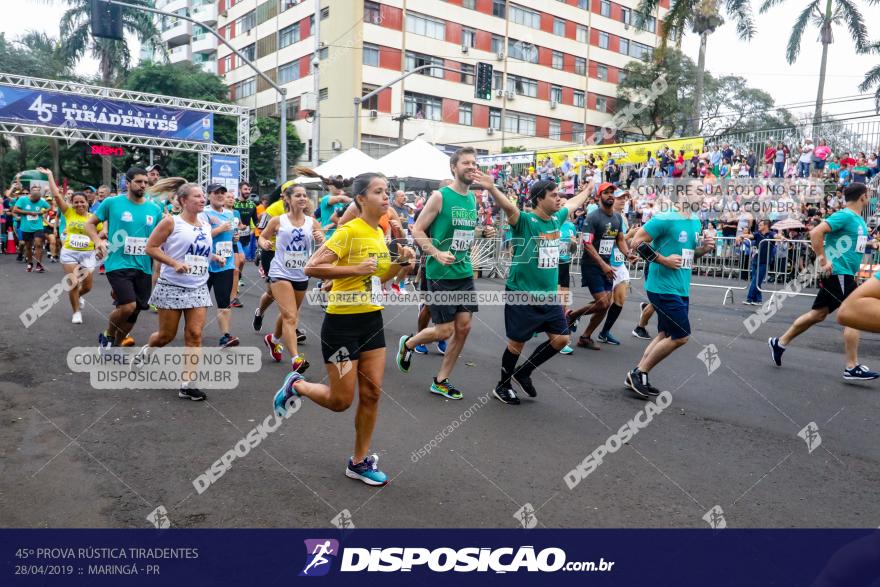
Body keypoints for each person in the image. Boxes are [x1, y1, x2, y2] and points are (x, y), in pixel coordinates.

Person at [273, 172, 415, 486]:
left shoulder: (379, 233)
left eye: (387, 191)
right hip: (341, 327)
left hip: (372, 322)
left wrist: (402, 264)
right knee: (341, 400)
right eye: (379, 191)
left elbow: (380, 277)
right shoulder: (348, 232)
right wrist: (354, 268)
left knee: (373, 393)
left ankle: (359, 461)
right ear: (361, 198)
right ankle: (296, 386)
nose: (386, 196)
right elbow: (311, 267)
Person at [489, 178, 593, 404]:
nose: (559, 198)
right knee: (517, 343)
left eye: (558, 194)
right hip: (522, 293)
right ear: (539, 199)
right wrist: (491, 187)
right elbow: (508, 207)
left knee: (561, 339)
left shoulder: (557, 219)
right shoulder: (525, 221)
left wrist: (588, 190)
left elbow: (573, 204)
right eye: (553, 195)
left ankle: (524, 372)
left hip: (549, 296)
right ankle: (503, 386)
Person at [769, 183, 880, 381]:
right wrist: (823, 260)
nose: (870, 198)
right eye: (868, 195)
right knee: (853, 313)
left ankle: (780, 342)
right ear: (863, 196)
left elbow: (855, 243)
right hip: (838, 272)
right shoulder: (844, 215)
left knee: (818, 314)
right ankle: (851, 366)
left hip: (845, 274)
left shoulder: (858, 220)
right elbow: (815, 232)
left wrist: (872, 243)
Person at [396, 147, 482, 400]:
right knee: (444, 331)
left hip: (464, 273)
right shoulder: (440, 196)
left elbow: (460, 235)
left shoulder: (472, 199)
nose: (471, 166)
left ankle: (441, 380)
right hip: (441, 273)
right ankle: (409, 343)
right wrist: (435, 253)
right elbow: (418, 230)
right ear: (454, 168)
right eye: (465, 162)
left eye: (474, 163)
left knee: (464, 328)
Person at [625, 196, 716, 397]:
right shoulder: (664, 218)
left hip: (681, 287)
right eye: (697, 191)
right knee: (682, 336)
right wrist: (663, 260)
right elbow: (635, 243)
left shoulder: (695, 221)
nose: (701, 196)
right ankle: (640, 373)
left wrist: (704, 249)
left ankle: (636, 374)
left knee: (665, 335)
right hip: (661, 286)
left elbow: (689, 255)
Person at [143, 182, 215, 401]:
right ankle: (148, 350)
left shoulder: (205, 224)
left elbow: (198, 251)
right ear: (184, 201)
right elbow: (150, 247)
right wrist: (173, 263)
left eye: (203, 196)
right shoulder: (170, 222)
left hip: (198, 286)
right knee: (166, 336)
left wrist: (214, 257)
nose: (203, 199)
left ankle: (188, 383)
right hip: (172, 284)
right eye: (197, 196)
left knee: (194, 334)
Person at [85, 168, 163, 351]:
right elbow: (89, 224)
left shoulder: (155, 209)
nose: (143, 185)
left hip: (143, 266)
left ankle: (115, 346)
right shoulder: (112, 203)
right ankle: (108, 336)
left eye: (145, 182)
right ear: (127, 183)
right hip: (117, 262)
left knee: (134, 312)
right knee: (128, 306)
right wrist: (97, 241)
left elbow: (160, 238)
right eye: (138, 181)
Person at [258, 184, 324, 373]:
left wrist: (321, 239)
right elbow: (261, 237)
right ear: (287, 199)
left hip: (301, 273)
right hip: (280, 272)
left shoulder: (312, 222)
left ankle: (274, 339)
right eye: (297, 195)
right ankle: (296, 358)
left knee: (290, 313)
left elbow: (324, 246)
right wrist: (265, 243)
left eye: (304, 195)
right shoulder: (278, 220)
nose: (302, 198)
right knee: (290, 316)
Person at [566, 182, 631, 350]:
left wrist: (627, 254)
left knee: (605, 304)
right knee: (603, 303)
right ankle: (572, 316)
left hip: (607, 265)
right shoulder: (593, 217)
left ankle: (585, 337)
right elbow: (587, 244)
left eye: (612, 192)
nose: (610, 195)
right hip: (592, 265)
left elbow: (620, 239)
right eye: (606, 192)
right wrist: (603, 265)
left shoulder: (617, 217)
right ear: (598, 196)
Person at [41, 169, 94, 323]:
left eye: (82, 202)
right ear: (72, 203)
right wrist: (50, 175)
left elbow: (101, 232)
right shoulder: (68, 212)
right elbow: (57, 195)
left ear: (87, 203)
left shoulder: (93, 218)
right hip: (70, 252)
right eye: (76, 202)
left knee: (87, 287)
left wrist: (101, 241)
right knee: (73, 282)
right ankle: (76, 312)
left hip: (87, 254)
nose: (79, 204)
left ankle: (79, 297)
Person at [201, 184, 241, 348]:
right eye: (216, 193)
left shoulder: (230, 214)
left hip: (226, 263)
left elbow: (230, 235)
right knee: (201, 301)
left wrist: (235, 238)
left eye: (223, 193)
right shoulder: (203, 213)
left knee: (223, 300)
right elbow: (201, 236)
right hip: (206, 263)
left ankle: (226, 336)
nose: (220, 195)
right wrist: (220, 229)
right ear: (209, 195)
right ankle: (194, 329)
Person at [597, 189, 635, 344]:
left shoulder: (623, 218)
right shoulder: (607, 217)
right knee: (602, 303)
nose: (623, 201)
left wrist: (632, 246)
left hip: (620, 264)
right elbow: (608, 240)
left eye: (625, 198)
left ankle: (605, 332)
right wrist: (629, 235)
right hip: (607, 263)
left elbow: (624, 243)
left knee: (619, 301)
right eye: (620, 198)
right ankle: (574, 317)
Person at [13, 183, 50, 273]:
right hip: (26, 227)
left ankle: (38, 264)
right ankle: (30, 263)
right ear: (30, 196)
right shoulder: (22, 199)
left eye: (37, 201)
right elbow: (15, 209)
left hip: (38, 226)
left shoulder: (41, 201)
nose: (36, 203)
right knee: (28, 247)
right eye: (34, 201)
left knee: (38, 244)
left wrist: (43, 211)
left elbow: (49, 207)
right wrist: (28, 213)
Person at [741, 219, 778, 305]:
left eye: (760, 225)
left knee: (756, 280)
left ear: (766, 226)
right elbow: (749, 236)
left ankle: (749, 299)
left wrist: (782, 237)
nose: (758, 226)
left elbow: (777, 236)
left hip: (764, 261)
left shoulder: (771, 234)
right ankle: (758, 300)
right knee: (756, 281)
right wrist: (741, 236)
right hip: (755, 260)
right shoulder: (757, 234)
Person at [557, 207, 578, 355]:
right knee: (558, 303)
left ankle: (535, 324)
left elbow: (573, 250)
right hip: (552, 266)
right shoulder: (552, 223)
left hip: (565, 265)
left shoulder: (571, 226)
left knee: (563, 304)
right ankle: (561, 339)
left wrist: (574, 243)